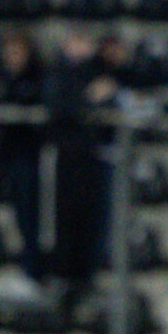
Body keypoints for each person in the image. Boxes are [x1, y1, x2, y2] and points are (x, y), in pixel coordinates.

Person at [47, 29, 119, 296]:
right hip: (68, 158)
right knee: (67, 220)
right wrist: (89, 99)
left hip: (91, 157)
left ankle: (84, 276)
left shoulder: (95, 70)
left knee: (92, 221)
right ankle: (64, 276)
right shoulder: (58, 73)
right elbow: (59, 108)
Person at [0, 29, 49, 280]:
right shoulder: (2, 81)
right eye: (9, 52)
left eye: (17, 51)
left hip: (27, 160)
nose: (11, 56)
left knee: (29, 219)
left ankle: (32, 272)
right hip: (3, 159)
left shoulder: (37, 81)